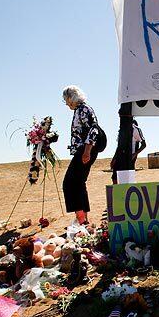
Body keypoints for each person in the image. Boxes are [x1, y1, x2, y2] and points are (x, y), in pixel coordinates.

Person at [62, 86, 100, 225]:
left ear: (72, 98)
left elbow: (93, 129)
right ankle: (83, 219)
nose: (66, 103)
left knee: (70, 183)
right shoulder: (81, 109)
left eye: (66, 100)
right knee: (78, 183)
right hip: (83, 150)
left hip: (85, 151)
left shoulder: (83, 109)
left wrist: (87, 150)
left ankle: (81, 219)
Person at [110, 118, 146, 184]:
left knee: (128, 179)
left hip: (129, 159)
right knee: (114, 177)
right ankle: (116, 193)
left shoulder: (135, 129)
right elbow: (119, 146)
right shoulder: (121, 130)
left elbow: (144, 145)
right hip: (119, 156)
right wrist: (114, 158)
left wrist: (134, 154)